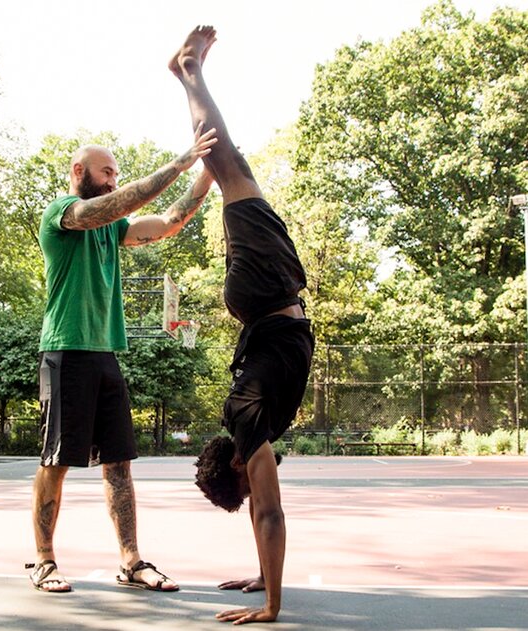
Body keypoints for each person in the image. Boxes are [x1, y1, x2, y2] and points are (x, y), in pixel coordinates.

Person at [28, 124, 217, 593]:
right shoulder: (63, 213)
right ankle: (44, 561)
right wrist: (180, 161)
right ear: (80, 172)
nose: (113, 179)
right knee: (56, 460)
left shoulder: (113, 230)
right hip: (65, 350)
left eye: (116, 173)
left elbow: (168, 222)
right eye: (106, 171)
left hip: (105, 354)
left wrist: (206, 177)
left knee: (119, 463)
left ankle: (131, 562)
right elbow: (117, 204)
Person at [170, 26, 315, 624]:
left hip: (265, 293)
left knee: (226, 161)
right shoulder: (253, 426)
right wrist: (262, 576)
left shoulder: (249, 424)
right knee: (236, 167)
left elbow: (271, 515)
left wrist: (273, 608)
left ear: (237, 464)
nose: (262, 487)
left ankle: (189, 73)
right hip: (268, 295)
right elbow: (263, 513)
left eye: (250, 483)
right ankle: (188, 75)